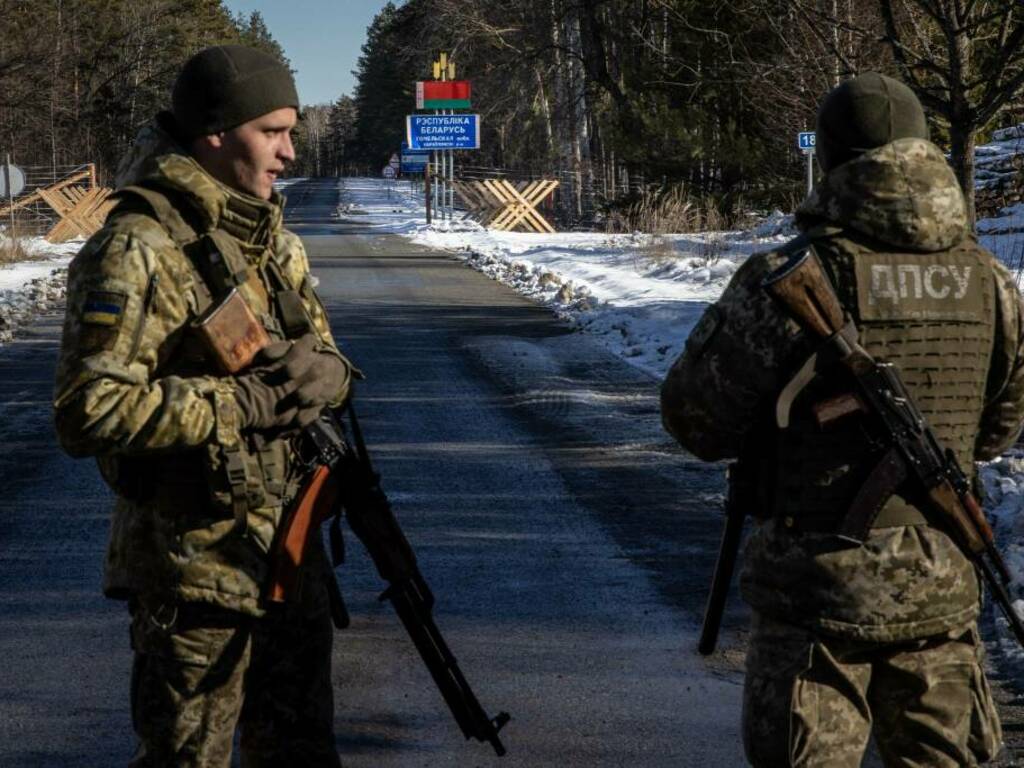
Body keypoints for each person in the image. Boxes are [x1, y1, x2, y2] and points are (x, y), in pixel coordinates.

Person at [661, 72, 1024, 767]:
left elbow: (694, 421)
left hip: (813, 601)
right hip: (941, 587)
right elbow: (998, 430)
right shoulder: (990, 281)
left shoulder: (790, 275)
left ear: (828, 161)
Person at [53, 45, 353, 767]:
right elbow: (87, 410)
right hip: (193, 571)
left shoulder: (270, 237)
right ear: (215, 133)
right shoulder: (137, 247)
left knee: (301, 754)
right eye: (272, 131)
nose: (289, 151)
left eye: (291, 131)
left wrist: (330, 375)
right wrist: (239, 402)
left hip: (285, 555)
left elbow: (319, 358)